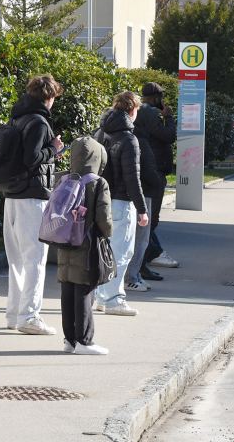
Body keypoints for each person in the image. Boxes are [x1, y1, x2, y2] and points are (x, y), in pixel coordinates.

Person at [1, 74, 64, 335]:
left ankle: (15, 314)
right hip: (32, 197)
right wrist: (54, 148)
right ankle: (30, 316)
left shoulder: (16, 118)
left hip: (12, 196)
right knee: (35, 258)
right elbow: (32, 158)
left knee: (16, 259)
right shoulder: (39, 122)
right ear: (49, 97)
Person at [54, 137, 113, 355]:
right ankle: (85, 341)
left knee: (67, 287)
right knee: (84, 289)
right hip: (87, 243)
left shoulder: (63, 179)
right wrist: (108, 234)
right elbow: (104, 218)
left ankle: (69, 339)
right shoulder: (98, 183)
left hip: (63, 241)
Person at [95, 92, 149, 316]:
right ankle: (114, 298)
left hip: (102, 199)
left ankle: (100, 296)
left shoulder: (101, 132)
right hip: (122, 201)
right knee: (122, 253)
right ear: (132, 110)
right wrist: (143, 209)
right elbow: (132, 177)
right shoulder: (128, 139)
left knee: (105, 251)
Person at [134, 82, 179, 273]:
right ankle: (145, 260)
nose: (162, 100)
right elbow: (168, 136)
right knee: (151, 220)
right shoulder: (150, 113)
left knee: (148, 219)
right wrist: (169, 118)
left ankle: (152, 254)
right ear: (155, 97)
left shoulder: (141, 112)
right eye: (160, 96)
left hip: (150, 168)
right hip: (154, 170)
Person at [124, 129, 166, 292]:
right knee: (139, 240)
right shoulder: (135, 140)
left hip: (126, 194)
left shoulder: (108, 134)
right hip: (141, 193)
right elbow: (139, 173)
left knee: (133, 241)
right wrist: (158, 182)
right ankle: (131, 278)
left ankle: (133, 276)